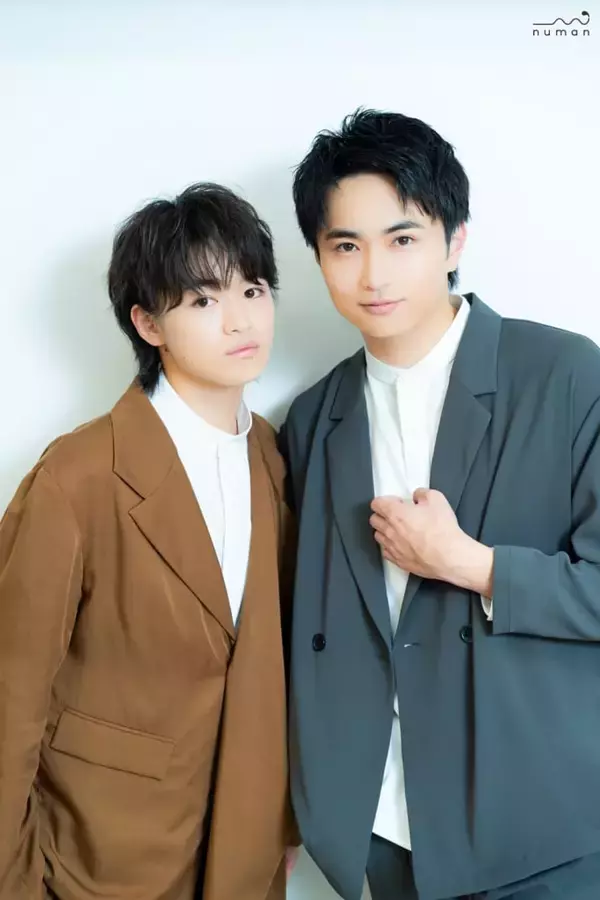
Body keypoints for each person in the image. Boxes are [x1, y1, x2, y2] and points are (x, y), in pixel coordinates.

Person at [279, 108, 600, 900]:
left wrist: (475, 566)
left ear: (454, 241)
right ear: (318, 257)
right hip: (381, 832)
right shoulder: (312, 421)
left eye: (402, 239)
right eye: (345, 247)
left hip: (541, 833)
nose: (374, 275)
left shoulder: (564, 376)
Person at [0, 182, 295, 900]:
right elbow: (9, 696)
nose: (239, 319)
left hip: (239, 855)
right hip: (97, 859)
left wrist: (277, 828)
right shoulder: (79, 474)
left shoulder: (273, 457)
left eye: (253, 290)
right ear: (148, 322)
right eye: (202, 300)